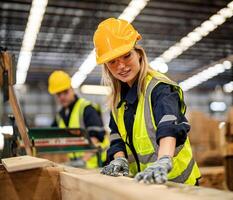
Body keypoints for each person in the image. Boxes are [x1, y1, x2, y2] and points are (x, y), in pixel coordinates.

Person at [94, 18, 201, 185]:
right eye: (112, 61)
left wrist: (164, 160)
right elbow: (116, 137)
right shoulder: (117, 100)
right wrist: (120, 159)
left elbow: (169, 126)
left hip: (178, 186)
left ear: (139, 53)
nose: (121, 66)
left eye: (126, 56)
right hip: (145, 186)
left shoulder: (159, 88)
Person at [48, 70, 108, 168]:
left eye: (65, 92)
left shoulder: (86, 109)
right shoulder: (60, 116)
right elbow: (49, 137)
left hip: (98, 164)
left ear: (72, 89)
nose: (62, 97)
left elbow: (96, 138)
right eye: (58, 94)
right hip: (78, 165)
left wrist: (82, 161)